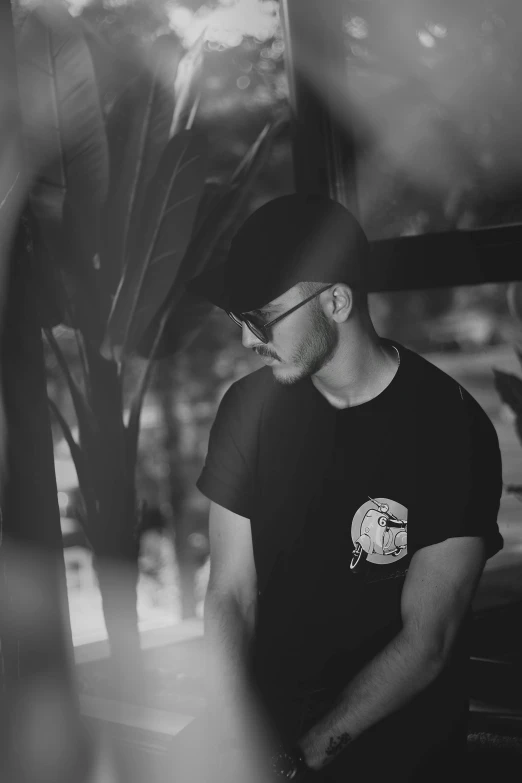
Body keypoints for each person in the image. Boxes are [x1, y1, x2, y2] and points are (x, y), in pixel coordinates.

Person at [176, 193, 503, 783]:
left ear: (336, 300)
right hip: (266, 735)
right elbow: (230, 594)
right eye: (239, 320)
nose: (249, 341)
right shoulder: (247, 411)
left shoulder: (451, 430)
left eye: (261, 318)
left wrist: (298, 761)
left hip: (398, 747)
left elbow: (427, 641)